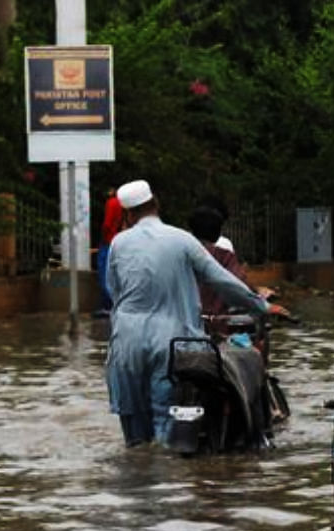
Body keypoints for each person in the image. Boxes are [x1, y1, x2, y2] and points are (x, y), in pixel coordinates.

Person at [103, 179, 286, 448]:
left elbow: (114, 291)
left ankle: (137, 478)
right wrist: (261, 305)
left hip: (126, 342)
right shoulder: (182, 240)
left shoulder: (119, 244)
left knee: (134, 432)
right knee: (167, 424)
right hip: (170, 342)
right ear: (156, 204)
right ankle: (171, 482)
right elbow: (222, 280)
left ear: (128, 215)